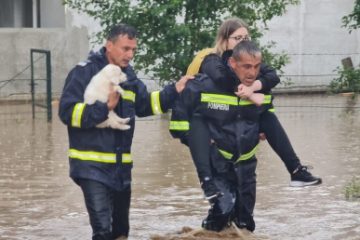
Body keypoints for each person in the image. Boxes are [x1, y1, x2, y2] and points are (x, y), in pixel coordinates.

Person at [58, 23, 192, 240]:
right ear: (109, 45)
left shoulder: (128, 75)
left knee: (121, 233)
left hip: (120, 170)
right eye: (125, 49)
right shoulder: (84, 72)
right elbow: (67, 112)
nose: (130, 55)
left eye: (133, 50)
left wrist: (174, 90)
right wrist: (104, 108)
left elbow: (147, 105)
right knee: (103, 231)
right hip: (90, 167)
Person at [170, 17, 322, 190]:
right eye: (238, 38)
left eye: (246, 38)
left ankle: (296, 171)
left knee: (266, 115)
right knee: (223, 199)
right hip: (214, 126)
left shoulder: (250, 61)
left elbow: (272, 76)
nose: (243, 42)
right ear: (224, 40)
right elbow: (222, 79)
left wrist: (253, 89)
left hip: (239, 124)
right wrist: (250, 92)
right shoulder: (211, 59)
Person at [180, 40, 270, 232]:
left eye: (246, 37)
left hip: (245, 160)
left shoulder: (256, 85)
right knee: (224, 206)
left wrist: (261, 129)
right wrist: (200, 141)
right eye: (237, 38)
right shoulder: (209, 80)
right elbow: (182, 118)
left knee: (245, 220)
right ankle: (208, 231)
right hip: (218, 157)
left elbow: (266, 115)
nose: (251, 71)